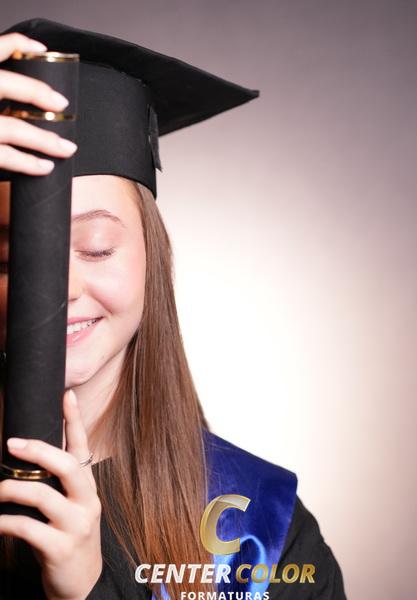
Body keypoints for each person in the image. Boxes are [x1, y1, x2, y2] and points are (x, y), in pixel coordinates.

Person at [0, 18, 347, 600]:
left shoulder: (258, 533)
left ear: (151, 256)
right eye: (11, 260)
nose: (59, 288)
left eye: (97, 248)